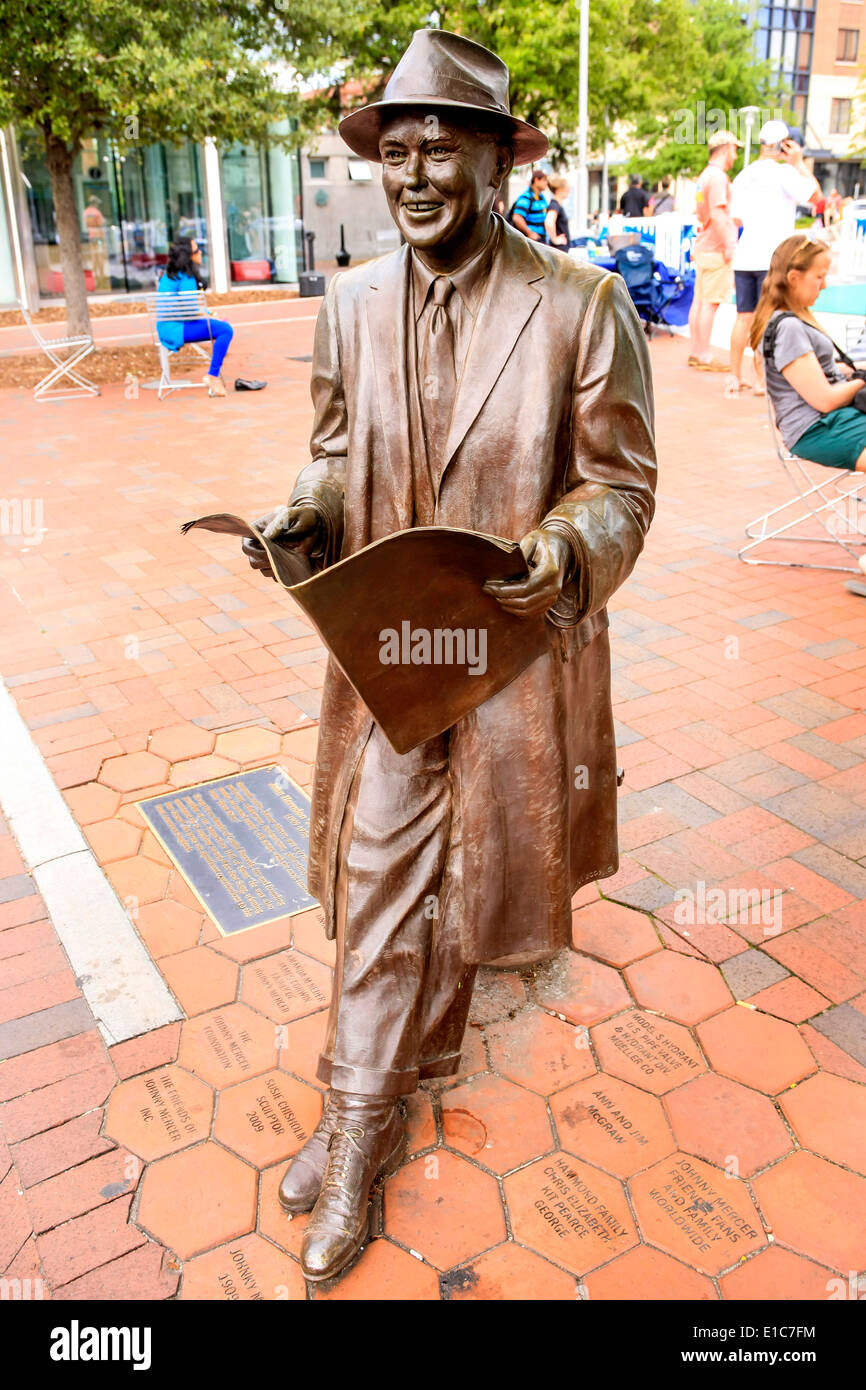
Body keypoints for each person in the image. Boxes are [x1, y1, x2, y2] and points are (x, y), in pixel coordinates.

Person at [242, 27, 656, 1285]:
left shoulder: (580, 304)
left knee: (461, 885)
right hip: (392, 649)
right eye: (393, 154)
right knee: (379, 873)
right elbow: (328, 445)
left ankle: (400, 1070)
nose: (412, 175)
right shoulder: (352, 303)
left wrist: (565, 547)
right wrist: (306, 511)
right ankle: (358, 1118)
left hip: (508, 657)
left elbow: (623, 485)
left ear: (496, 161)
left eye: (438, 150)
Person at [751, 233, 866, 473]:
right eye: (820, 277)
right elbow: (825, 400)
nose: (824, 285)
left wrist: (845, 371)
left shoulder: (785, 319)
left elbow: (809, 374)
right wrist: (861, 379)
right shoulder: (789, 327)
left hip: (823, 423)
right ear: (794, 278)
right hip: (818, 428)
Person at [727, 121, 820, 396]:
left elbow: (736, 217)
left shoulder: (744, 174)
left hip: (746, 255)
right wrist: (800, 163)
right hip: (773, 257)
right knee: (769, 318)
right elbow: (816, 196)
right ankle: (760, 380)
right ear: (784, 145)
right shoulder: (785, 174)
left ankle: (734, 375)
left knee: (743, 318)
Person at [688, 129, 741, 373]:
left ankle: (696, 351)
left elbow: (706, 213)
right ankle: (704, 354)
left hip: (704, 244)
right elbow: (718, 214)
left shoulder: (705, 176)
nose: (736, 155)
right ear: (726, 148)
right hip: (715, 246)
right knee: (709, 303)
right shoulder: (718, 177)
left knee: (699, 301)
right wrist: (731, 244)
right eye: (735, 149)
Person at [156, 237, 233, 398]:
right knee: (225, 330)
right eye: (197, 250)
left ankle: (214, 373)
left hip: (166, 327)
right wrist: (209, 318)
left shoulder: (170, 275)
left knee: (217, 327)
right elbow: (190, 310)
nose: (200, 252)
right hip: (177, 329)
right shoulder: (186, 277)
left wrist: (208, 314)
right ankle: (213, 376)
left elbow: (184, 307)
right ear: (188, 255)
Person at [510, 167, 549, 241]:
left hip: (541, 239)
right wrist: (530, 233)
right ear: (536, 180)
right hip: (531, 240)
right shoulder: (526, 197)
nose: (546, 183)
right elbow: (517, 217)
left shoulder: (541, 197)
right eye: (544, 180)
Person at [545, 175, 571, 249]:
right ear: (559, 189)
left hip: (560, 249)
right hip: (559, 249)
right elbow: (549, 222)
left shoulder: (557, 205)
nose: (569, 190)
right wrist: (555, 239)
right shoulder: (554, 205)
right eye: (567, 187)